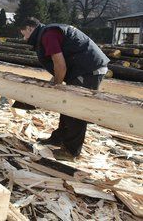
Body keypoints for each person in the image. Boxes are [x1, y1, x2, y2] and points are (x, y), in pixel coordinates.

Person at [18, 17, 109, 159]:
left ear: (30, 28)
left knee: (75, 108)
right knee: (66, 104)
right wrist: (53, 83)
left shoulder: (48, 35)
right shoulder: (47, 33)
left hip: (89, 69)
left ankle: (71, 151)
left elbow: (60, 65)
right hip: (81, 67)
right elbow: (59, 67)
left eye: (23, 33)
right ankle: (59, 138)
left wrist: (56, 87)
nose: (24, 38)